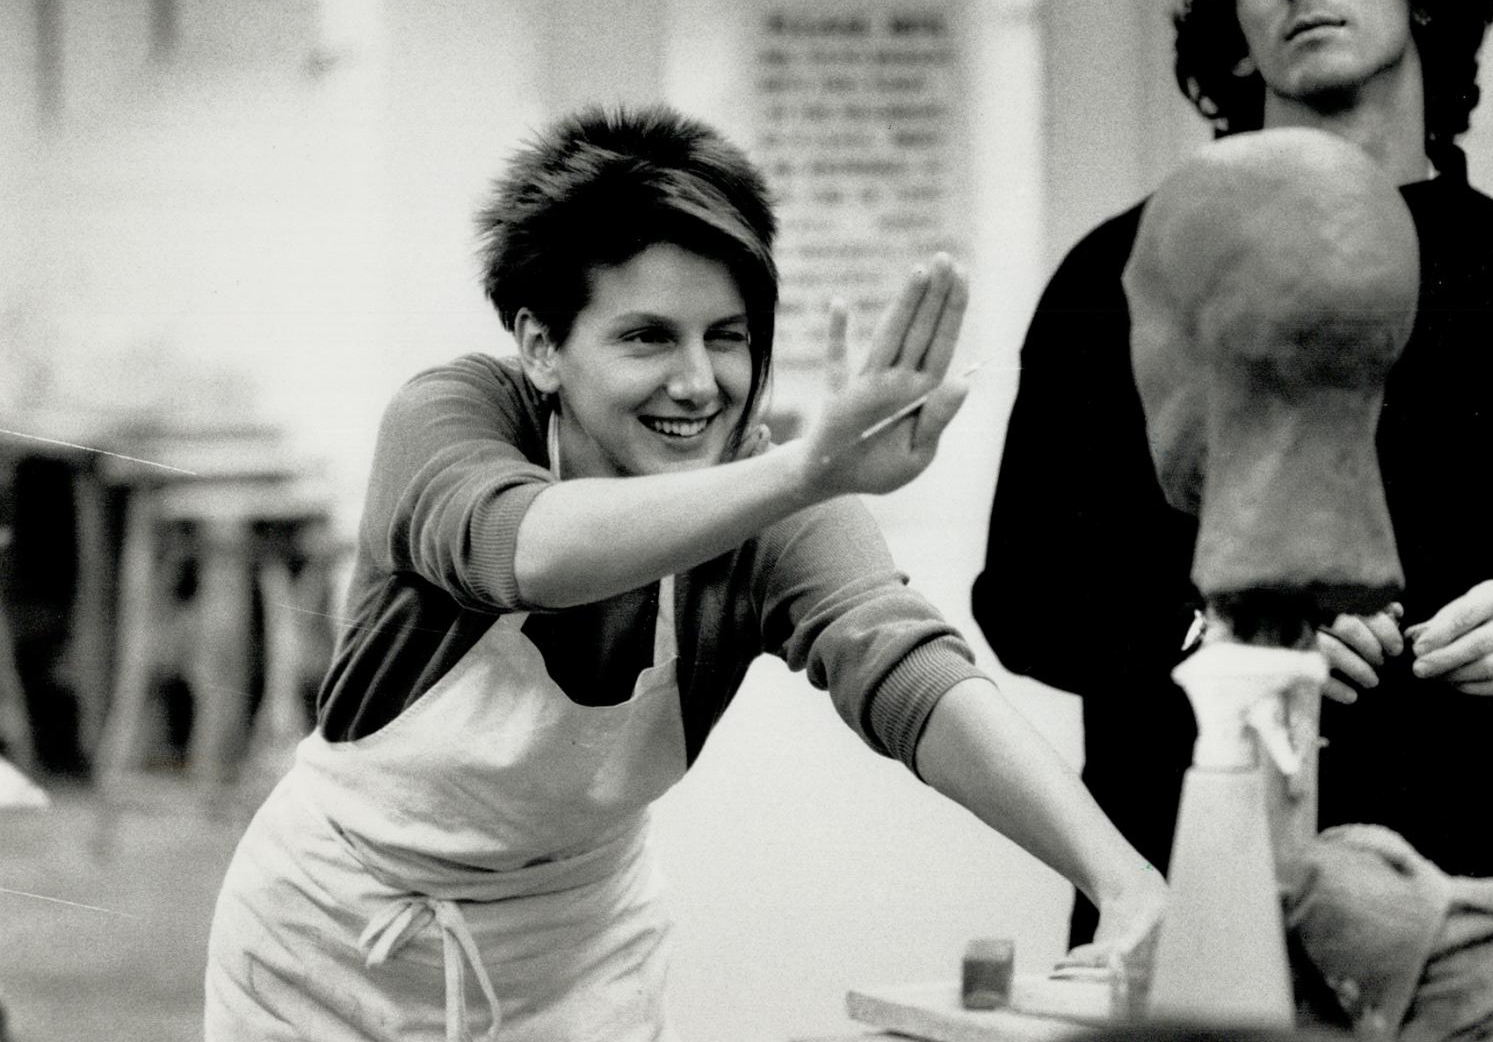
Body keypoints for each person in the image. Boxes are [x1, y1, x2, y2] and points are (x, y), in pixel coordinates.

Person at [204, 105, 1165, 1041]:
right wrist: (798, 471)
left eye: (728, 335)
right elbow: (528, 550)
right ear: (541, 345)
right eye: (647, 337)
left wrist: (1117, 881)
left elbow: (907, 667)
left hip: (578, 960)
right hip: (328, 947)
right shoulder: (453, 416)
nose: (699, 383)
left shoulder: (772, 496)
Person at [974, 0, 1493, 948]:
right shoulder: (1124, 275)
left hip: (1433, 898)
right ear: (1233, 24)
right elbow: (1026, 597)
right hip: (1171, 891)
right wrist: (1214, 635)